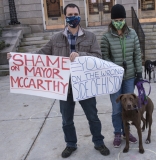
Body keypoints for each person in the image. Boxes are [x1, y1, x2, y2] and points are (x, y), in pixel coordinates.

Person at [7, 3, 110, 158]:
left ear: (80, 15)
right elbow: (41, 54)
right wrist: (18, 57)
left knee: (93, 117)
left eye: (75, 13)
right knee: (66, 119)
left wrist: (80, 54)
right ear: (65, 17)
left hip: (84, 86)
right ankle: (70, 144)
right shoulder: (56, 38)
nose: (73, 17)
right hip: (64, 87)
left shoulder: (90, 37)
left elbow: (97, 57)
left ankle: (98, 142)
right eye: (70, 15)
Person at [100, 4, 142, 148]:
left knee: (130, 106)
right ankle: (118, 132)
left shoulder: (133, 34)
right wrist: (115, 67)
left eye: (121, 19)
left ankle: (127, 131)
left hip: (129, 76)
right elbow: (104, 56)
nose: (119, 21)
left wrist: (139, 71)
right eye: (116, 19)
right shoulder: (106, 37)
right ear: (111, 20)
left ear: (125, 19)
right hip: (114, 79)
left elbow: (137, 53)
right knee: (117, 108)